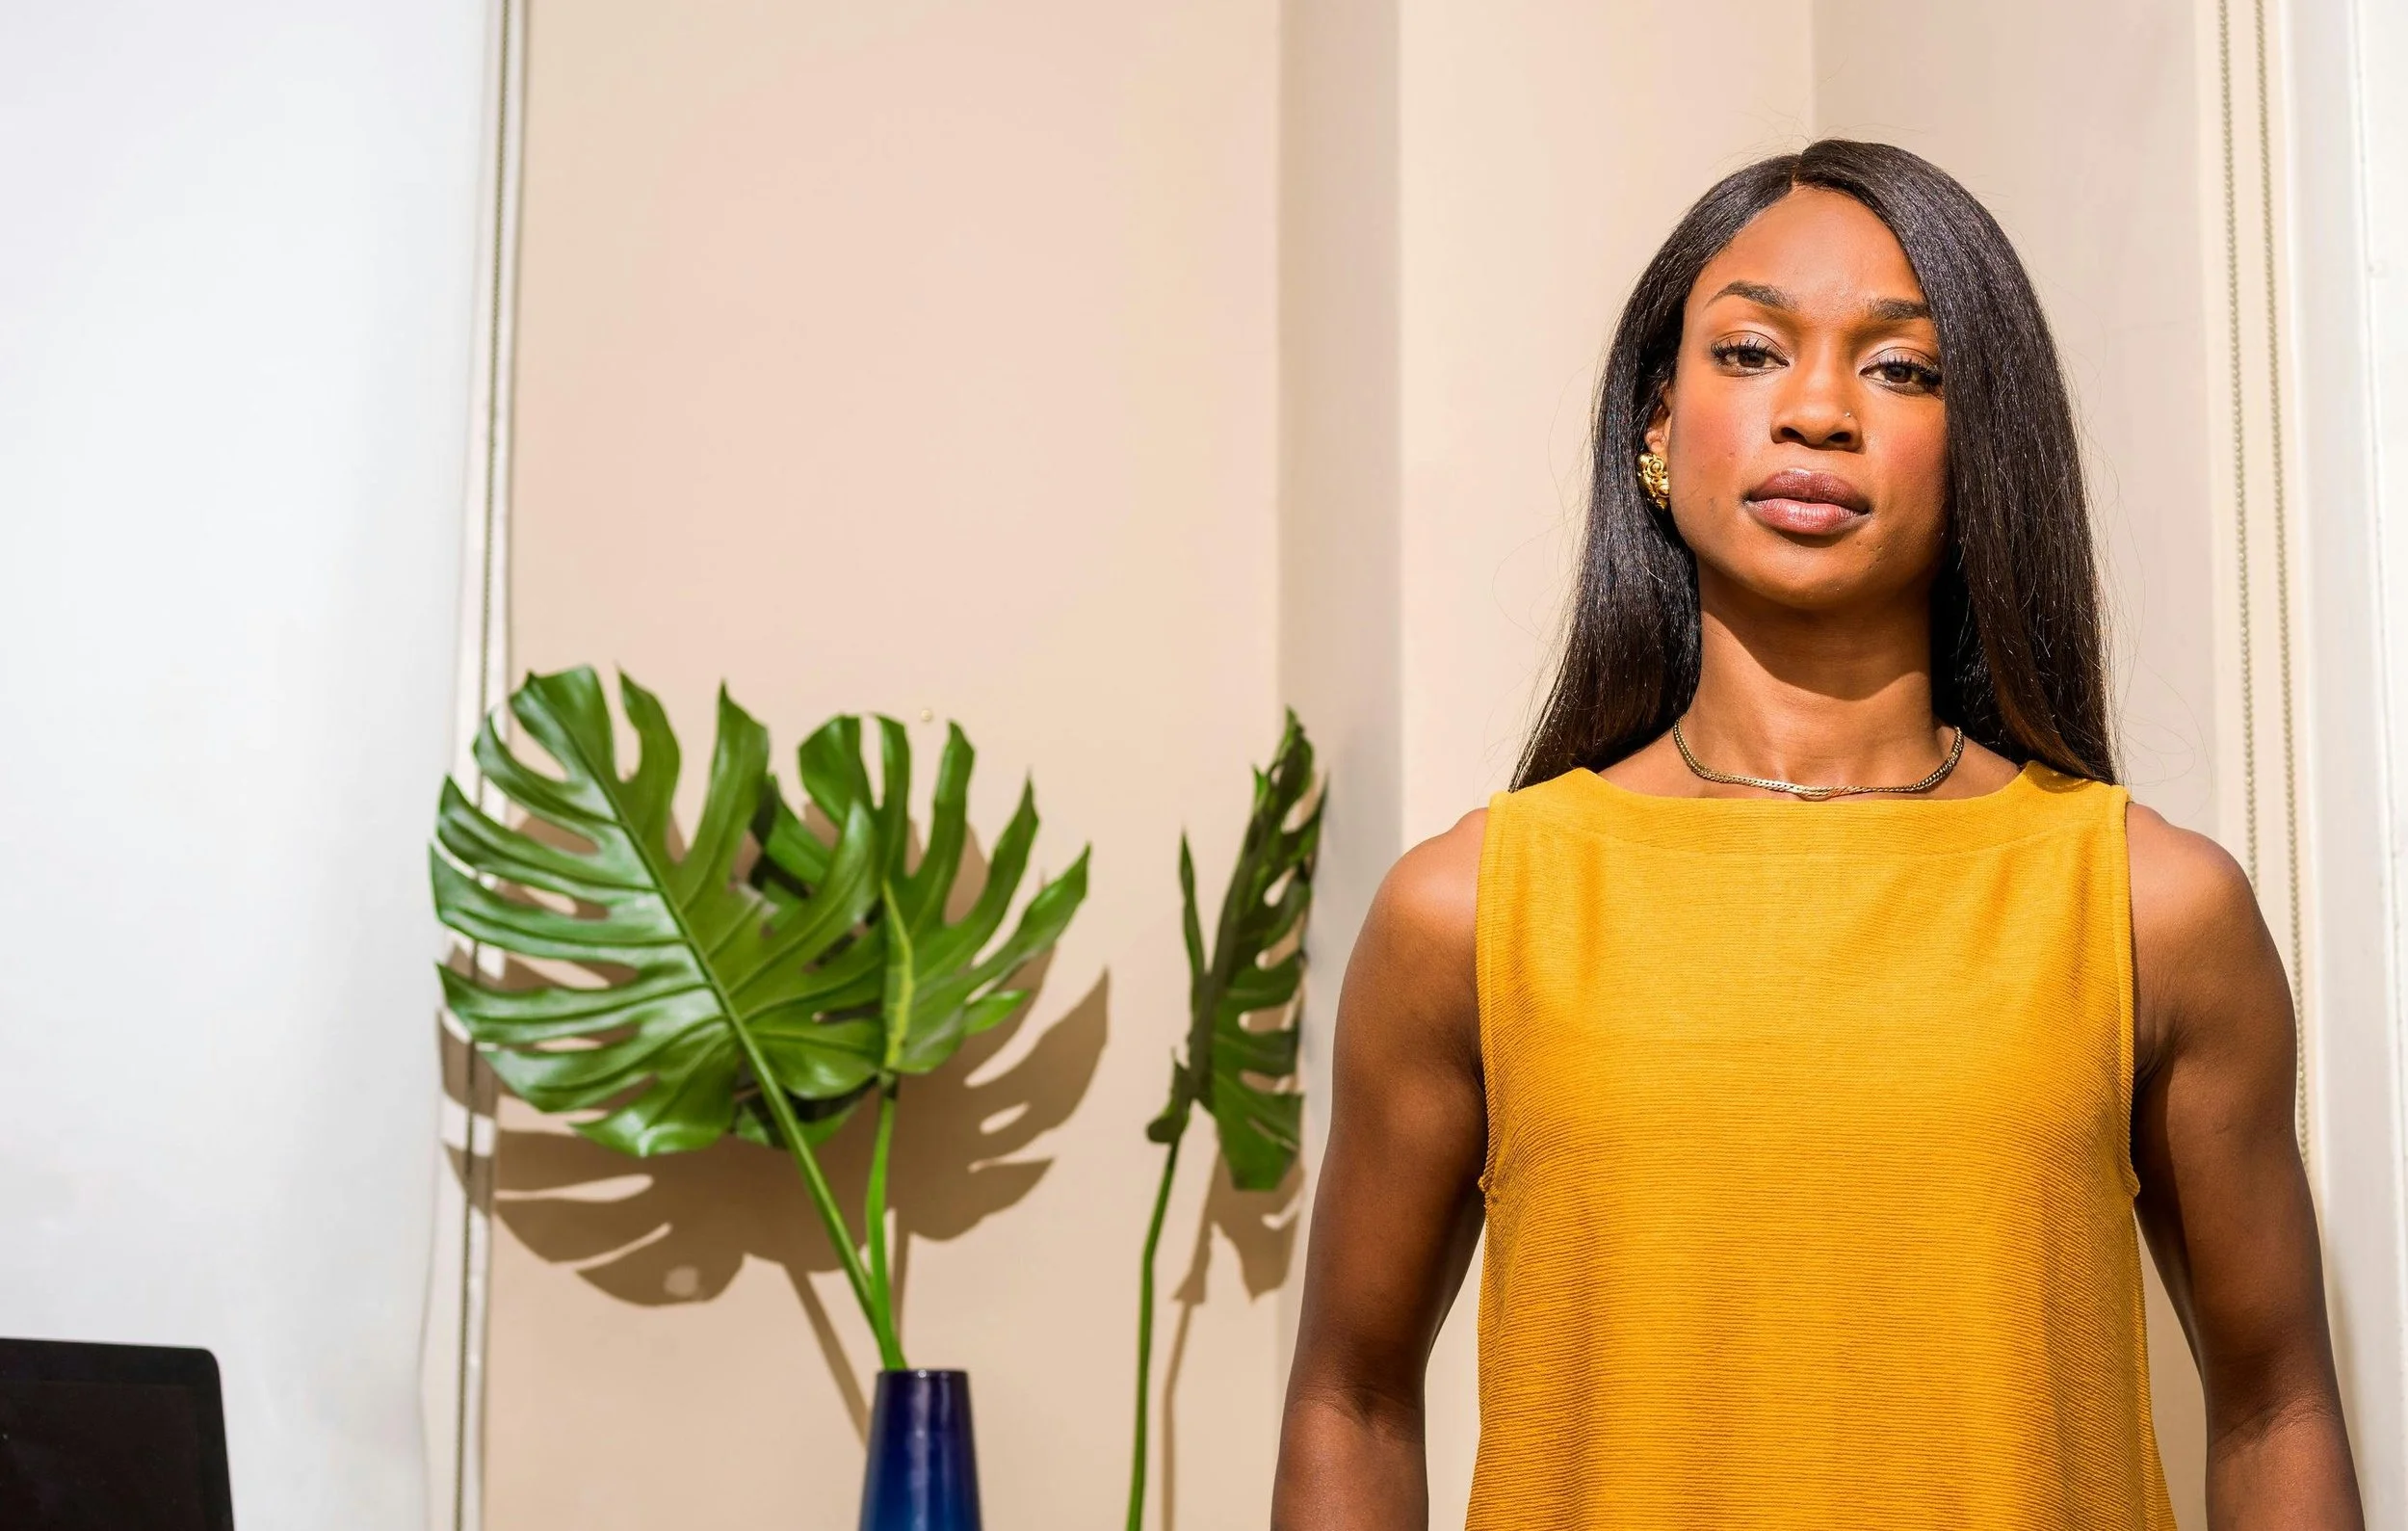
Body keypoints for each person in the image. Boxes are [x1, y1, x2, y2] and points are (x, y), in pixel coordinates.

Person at [1270, 140, 2361, 1529]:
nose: (1817, 411)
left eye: (1902, 369)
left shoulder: (2152, 906)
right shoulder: (1473, 909)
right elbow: (1350, 1401)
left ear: (1984, 454)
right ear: (1656, 426)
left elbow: (2277, 1411)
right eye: (1749, 352)